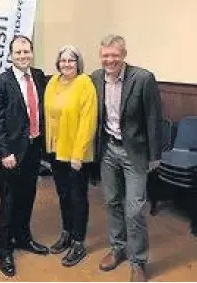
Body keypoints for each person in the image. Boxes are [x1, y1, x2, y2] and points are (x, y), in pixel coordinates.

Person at [91, 34, 162, 282]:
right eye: (105, 55)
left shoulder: (143, 78)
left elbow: (154, 119)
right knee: (111, 202)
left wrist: (155, 156)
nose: (109, 59)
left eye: (114, 55)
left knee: (134, 210)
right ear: (100, 55)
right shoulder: (96, 78)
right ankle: (117, 247)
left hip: (135, 153)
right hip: (108, 150)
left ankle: (138, 261)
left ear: (124, 55)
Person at [0, 35, 49, 277]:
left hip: (34, 149)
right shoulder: (1, 82)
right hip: (11, 154)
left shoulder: (39, 75)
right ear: (10, 56)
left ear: (31, 53)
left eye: (26, 52)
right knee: (9, 202)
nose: (23, 56)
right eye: (18, 53)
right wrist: (4, 152)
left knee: (28, 197)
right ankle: (4, 249)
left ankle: (23, 238)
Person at [44, 45, 97, 267]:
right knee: (63, 195)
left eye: (71, 61)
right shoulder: (53, 82)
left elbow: (88, 121)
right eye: (63, 60)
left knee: (78, 197)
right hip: (56, 152)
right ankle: (66, 233)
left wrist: (78, 154)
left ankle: (78, 242)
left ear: (78, 63)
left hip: (76, 153)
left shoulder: (85, 84)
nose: (66, 64)